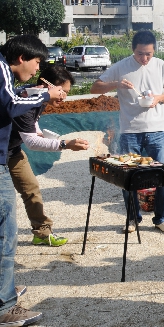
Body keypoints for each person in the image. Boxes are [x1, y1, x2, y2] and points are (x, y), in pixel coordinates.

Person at [0, 35, 67, 326]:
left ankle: (3, 289)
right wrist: (43, 95)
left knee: (27, 196)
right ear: (21, 58)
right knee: (5, 233)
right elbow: (12, 105)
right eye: (37, 62)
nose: (38, 68)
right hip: (5, 158)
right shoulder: (2, 69)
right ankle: (4, 306)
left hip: (9, 154)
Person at [90, 30, 164, 234]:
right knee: (128, 178)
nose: (144, 58)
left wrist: (158, 98)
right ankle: (132, 218)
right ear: (133, 50)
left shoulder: (160, 65)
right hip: (130, 131)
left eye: (148, 54)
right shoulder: (121, 67)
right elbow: (95, 87)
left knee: (163, 176)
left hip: (156, 130)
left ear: (154, 51)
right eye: (140, 54)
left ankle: (161, 217)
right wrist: (116, 84)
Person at [9, 65, 89, 247]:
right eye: (62, 91)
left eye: (67, 92)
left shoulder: (39, 98)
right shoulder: (26, 99)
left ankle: (42, 233)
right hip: (3, 153)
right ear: (47, 86)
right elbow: (31, 142)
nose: (64, 97)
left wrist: (42, 134)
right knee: (6, 200)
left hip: (13, 151)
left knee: (31, 189)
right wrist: (65, 144)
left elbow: (31, 127)